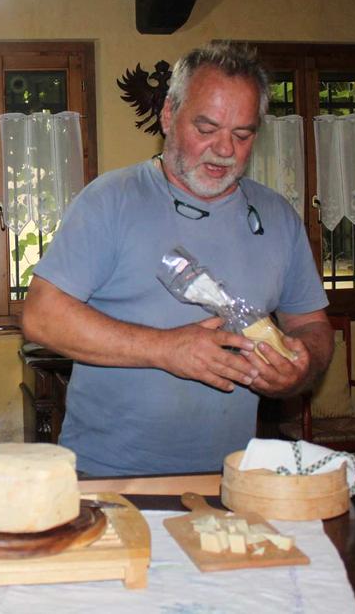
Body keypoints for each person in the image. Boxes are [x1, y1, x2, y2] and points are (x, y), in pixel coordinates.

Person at [21, 41, 333, 476]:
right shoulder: (111, 200)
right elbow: (41, 318)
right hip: (110, 476)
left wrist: (301, 370)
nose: (224, 149)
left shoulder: (277, 216)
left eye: (242, 134)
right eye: (206, 128)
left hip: (232, 476)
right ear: (169, 115)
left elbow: (311, 325)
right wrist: (165, 348)